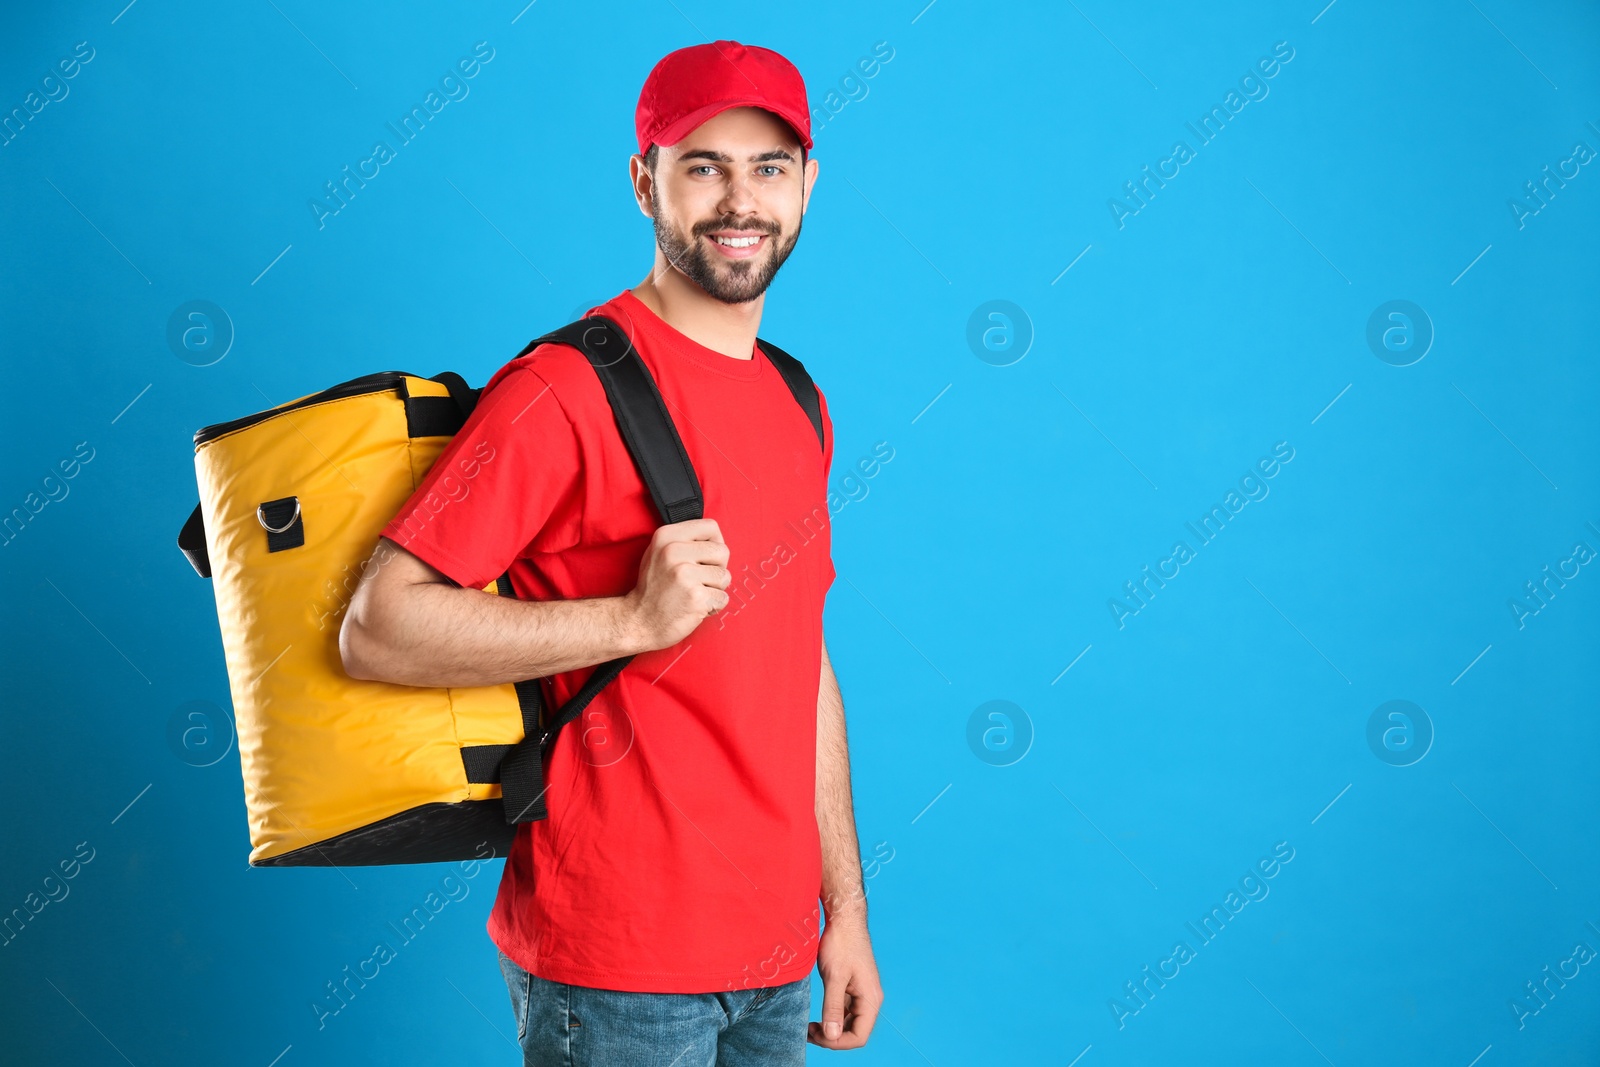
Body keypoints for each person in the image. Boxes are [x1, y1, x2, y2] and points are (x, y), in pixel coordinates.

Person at [340, 39, 883, 1064]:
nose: (740, 200)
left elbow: (799, 663)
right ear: (645, 182)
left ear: (807, 183)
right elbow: (377, 627)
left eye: (768, 167)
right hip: (616, 958)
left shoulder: (797, 401)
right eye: (703, 165)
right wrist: (631, 619)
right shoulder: (564, 388)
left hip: (773, 953)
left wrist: (841, 909)